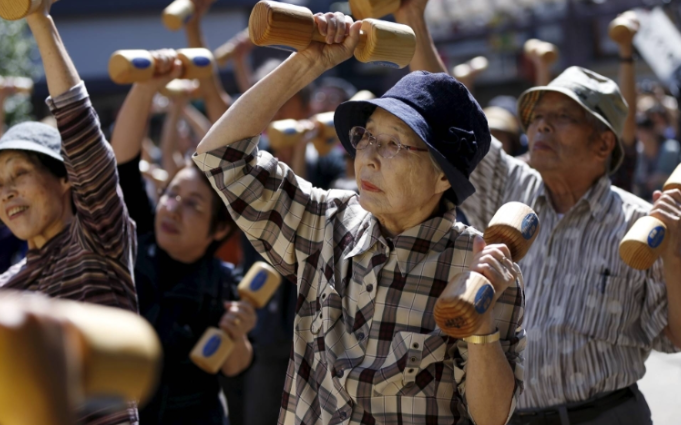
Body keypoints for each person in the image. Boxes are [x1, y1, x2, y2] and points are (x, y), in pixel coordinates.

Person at [193, 11, 525, 425]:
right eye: (365, 136)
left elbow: (491, 417)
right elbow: (220, 158)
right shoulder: (324, 221)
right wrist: (310, 61)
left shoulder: (478, 268)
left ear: (443, 176)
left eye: (394, 145)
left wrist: (480, 324)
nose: (368, 157)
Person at [399, 1, 681, 423]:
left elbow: (673, 337)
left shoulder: (640, 224)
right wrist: (412, 21)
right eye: (536, 118)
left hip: (608, 415)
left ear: (603, 144)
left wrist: (676, 255)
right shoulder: (510, 187)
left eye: (562, 117)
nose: (540, 127)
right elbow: (444, 110)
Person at [0, 2, 138, 424]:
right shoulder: (7, 287)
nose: (7, 192)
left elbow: (81, 135)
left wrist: (38, 18)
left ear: (65, 180)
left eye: (20, 173)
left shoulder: (96, 240)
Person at [110, 53, 256, 425]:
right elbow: (123, 164)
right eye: (171, 194)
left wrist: (236, 336)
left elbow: (237, 367)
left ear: (220, 229)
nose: (172, 208)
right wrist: (146, 87)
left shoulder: (224, 284)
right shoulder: (136, 239)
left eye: (192, 204)